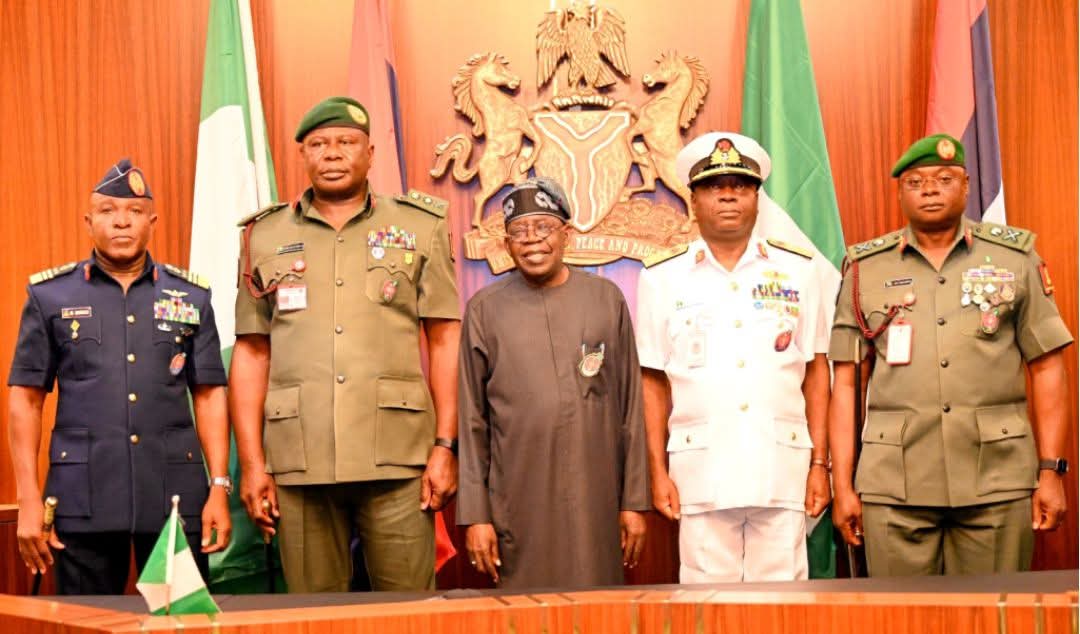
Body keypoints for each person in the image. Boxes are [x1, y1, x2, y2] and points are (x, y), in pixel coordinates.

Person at [231, 96, 461, 592]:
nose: (332, 153)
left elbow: (444, 340)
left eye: (346, 142)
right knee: (316, 618)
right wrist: (252, 465)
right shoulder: (263, 234)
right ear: (303, 155)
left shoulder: (421, 226)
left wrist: (445, 445)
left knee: (408, 617)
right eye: (319, 143)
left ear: (370, 153)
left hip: (398, 456)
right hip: (300, 458)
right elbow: (251, 353)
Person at [828, 133, 1073, 576]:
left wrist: (1051, 469)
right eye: (915, 181)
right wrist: (842, 485)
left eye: (944, 178)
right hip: (893, 484)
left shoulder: (1013, 257)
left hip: (997, 478)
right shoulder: (865, 268)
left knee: (993, 616)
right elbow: (845, 383)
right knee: (902, 621)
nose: (929, 188)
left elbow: (1047, 365)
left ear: (966, 186)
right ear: (900, 193)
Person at [8, 159, 231, 594]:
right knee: (87, 622)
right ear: (89, 223)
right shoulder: (50, 295)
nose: (121, 221)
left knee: (180, 621)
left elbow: (208, 393)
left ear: (152, 221)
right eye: (108, 211)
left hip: (175, 496)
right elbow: (25, 397)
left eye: (133, 211)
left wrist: (219, 485)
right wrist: (28, 498)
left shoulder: (190, 296)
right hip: (81, 495)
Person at [636, 133, 832, 583]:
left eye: (740, 185)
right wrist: (657, 472)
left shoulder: (799, 270)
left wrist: (819, 465)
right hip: (700, 470)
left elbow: (816, 369)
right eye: (713, 185)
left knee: (784, 610)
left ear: (757, 199)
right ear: (693, 200)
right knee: (707, 610)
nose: (727, 194)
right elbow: (652, 380)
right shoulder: (661, 277)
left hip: (781, 466)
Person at [457, 177, 650, 589]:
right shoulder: (484, 310)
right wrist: (476, 515)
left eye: (543, 228)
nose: (532, 241)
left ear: (566, 234)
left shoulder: (605, 299)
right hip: (517, 501)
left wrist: (635, 501)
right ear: (507, 244)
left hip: (596, 499)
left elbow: (631, 409)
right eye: (519, 232)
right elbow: (471, 421)